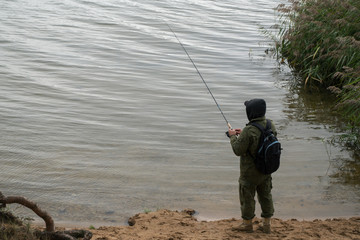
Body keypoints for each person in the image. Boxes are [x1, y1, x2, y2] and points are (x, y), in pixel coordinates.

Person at [226, 98, 276, 234]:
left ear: (251, 112)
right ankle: (266, 225)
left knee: (247, 198)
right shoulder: (270, 125)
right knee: (266, 196)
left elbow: (238, 150)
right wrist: (243, 134)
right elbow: (261, 139)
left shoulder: (249, 130)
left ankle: (247, 224)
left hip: (249, 173)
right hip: (266, 170)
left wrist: (232, 136)